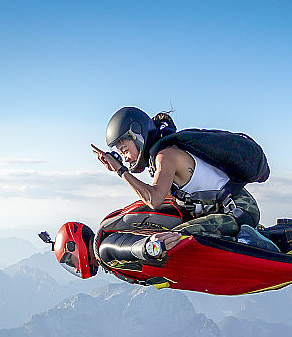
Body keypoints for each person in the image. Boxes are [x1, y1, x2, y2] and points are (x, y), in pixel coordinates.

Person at [91, 106, 271, 251]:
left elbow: (154, 199)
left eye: (124, 150)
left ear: (138, 137)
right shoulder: (160, 158)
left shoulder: (165, 156)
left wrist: (121, 171)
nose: (125, 158)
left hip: (239, 210)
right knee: (169, 231)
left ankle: (251, 239)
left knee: (173, 238)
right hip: (226, 211)